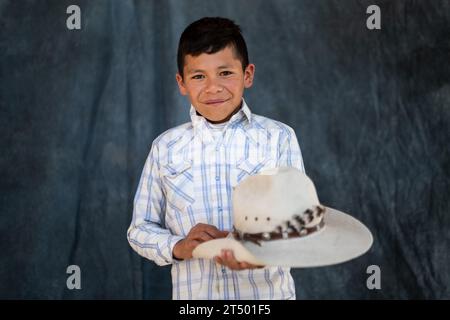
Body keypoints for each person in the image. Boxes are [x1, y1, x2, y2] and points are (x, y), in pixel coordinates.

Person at [127, 17, 305, 300]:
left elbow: (300, 224)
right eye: (198, 76)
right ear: (181, 83)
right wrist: (180, 246)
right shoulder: (166, 147)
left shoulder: (278, 138)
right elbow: (140, 229)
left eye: (225, 73)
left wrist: (261, 251)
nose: (213, 87)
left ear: (247, 74)